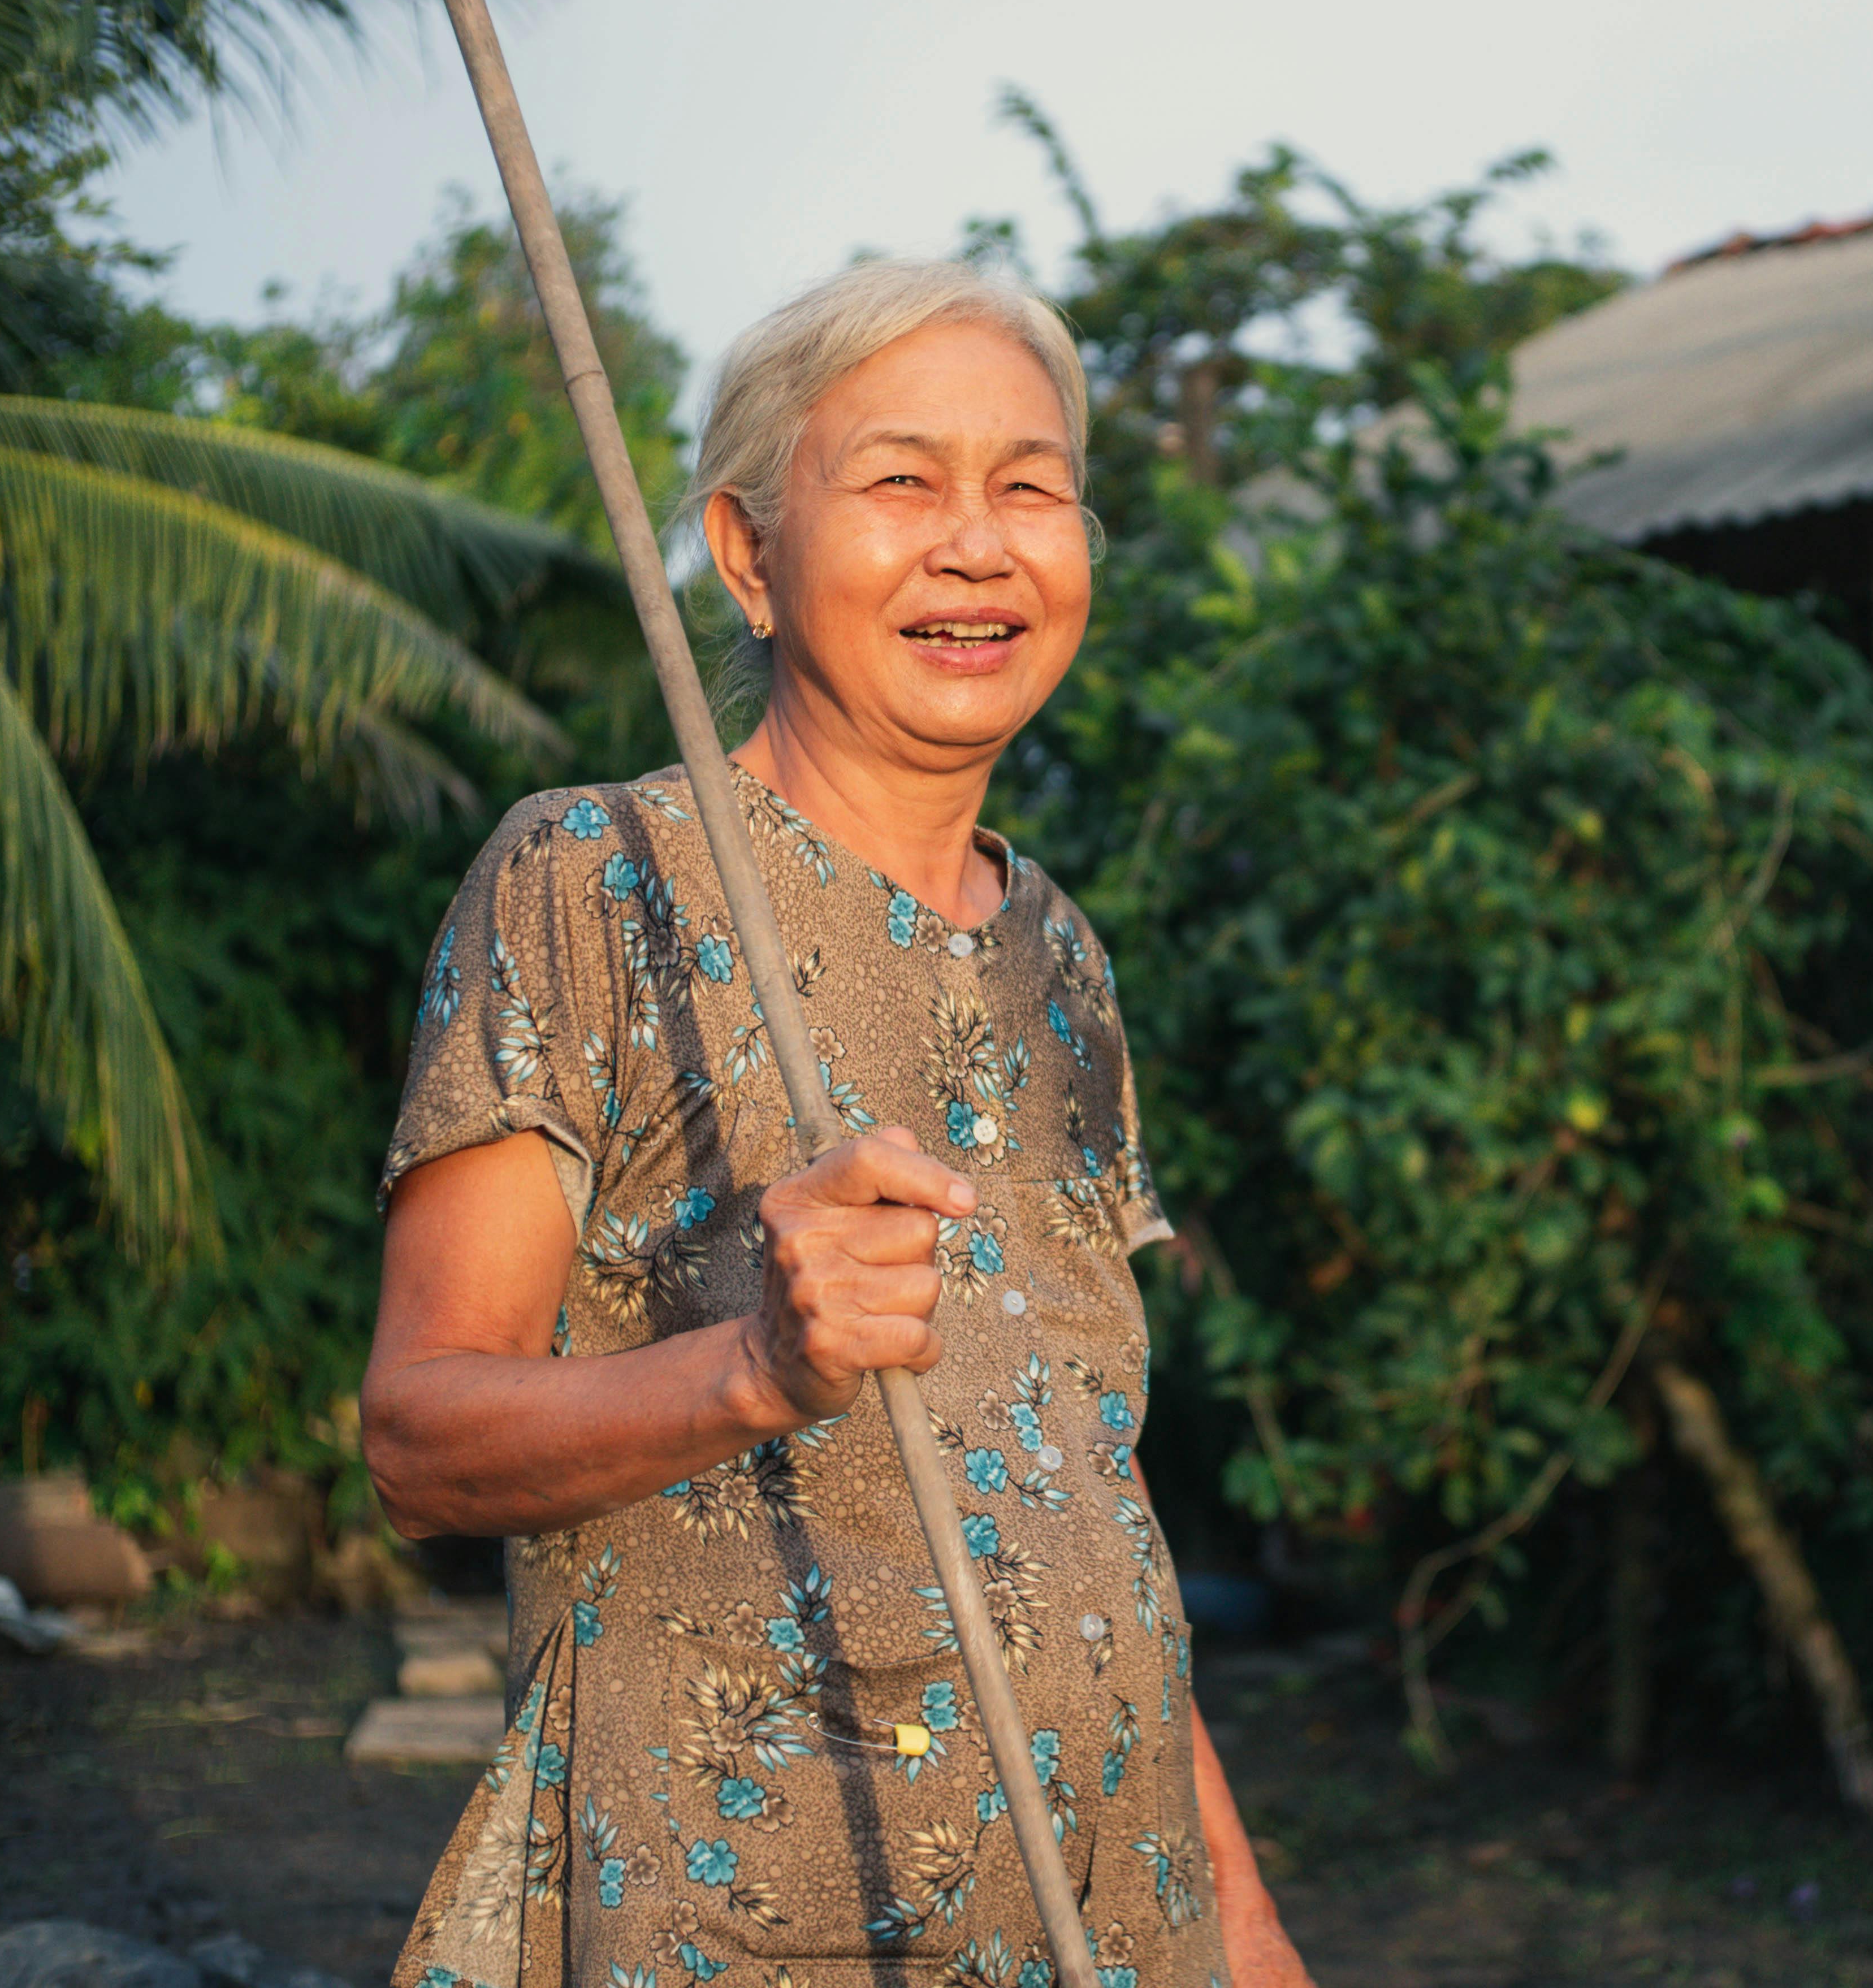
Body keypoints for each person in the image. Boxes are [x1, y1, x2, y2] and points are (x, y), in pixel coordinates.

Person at [361, 261, 1310, 1988]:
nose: (978, 545)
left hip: (1117, 1916)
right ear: (746, 556)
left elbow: (1087, 1489)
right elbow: (419, 1446)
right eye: (901, 481)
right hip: (765, 1921)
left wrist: (1242, 1925)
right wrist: (755, 1370)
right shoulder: (597, 879)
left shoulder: (1063, 958)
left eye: (1031, 487)